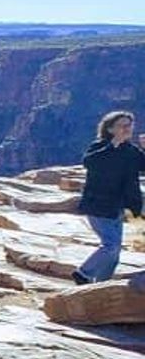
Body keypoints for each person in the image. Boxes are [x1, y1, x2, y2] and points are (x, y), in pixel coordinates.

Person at [73, 111, 145, 284]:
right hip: (98, 204)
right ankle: (84, 273)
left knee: (114, 250)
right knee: (111, 246)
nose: (127, 129)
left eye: (129, 125)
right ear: (110, 129)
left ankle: (101, 284)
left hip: (117, 207)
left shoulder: (130, 150)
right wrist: (113, 145)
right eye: (122, 125)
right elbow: (90, 162)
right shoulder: (100, 147)